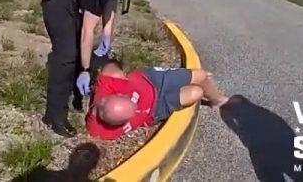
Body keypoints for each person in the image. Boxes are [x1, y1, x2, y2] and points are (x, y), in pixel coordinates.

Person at [39, 0, 172, 137]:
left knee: (79, 49)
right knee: (66, 54)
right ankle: (53, 115)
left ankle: (74, 88)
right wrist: (84, 70)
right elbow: (87, 30)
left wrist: (107, 34)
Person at [85, 58, 229, 140]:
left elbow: (110, 65)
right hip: (156, 109)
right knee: (196, 92)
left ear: (111, 97)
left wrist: (119, 71)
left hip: (152, 81)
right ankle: (198, 84)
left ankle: (217, 99)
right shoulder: (100, 132)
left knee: (200, 76)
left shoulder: (107, 84)